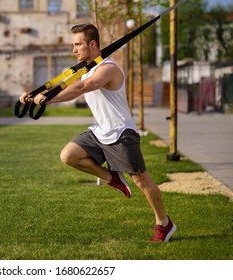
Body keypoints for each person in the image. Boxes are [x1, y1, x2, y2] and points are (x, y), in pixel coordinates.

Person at [19, 23, 176, 242]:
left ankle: (164, 224)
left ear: (92, 44)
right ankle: (111, 177)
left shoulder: (108, 68)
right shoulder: (86, 70)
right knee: (68, 155)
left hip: (121, 133)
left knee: (142, 180)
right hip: (100, 131)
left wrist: (47, 99)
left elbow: (81, 88)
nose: (74, 50)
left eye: (78, 44)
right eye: (73, 45)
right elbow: (66, 86)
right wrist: (34, 94)